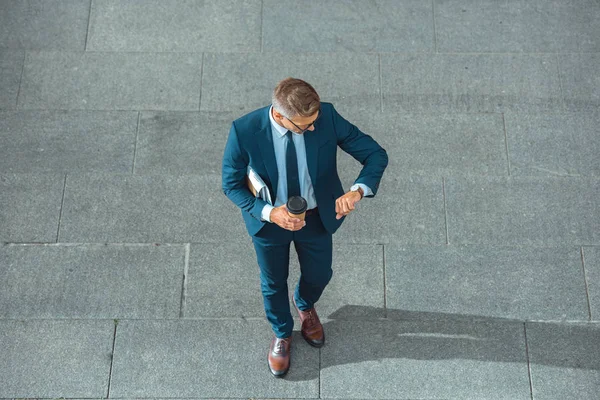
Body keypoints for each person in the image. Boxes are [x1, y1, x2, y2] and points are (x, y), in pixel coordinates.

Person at [221, 77, 388, 377]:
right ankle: (282, 333)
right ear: (280, 116)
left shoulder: (326, 116)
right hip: (270, 223)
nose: (312, 128)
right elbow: (231, 184)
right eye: (303, 125)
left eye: (314, 122)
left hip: (316, 217)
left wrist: (357, 190)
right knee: (273, 281)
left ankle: (305, 303)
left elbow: (375, 154)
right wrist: (270, 214)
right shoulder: (244, 131)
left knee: (320, 273)